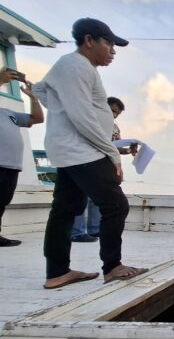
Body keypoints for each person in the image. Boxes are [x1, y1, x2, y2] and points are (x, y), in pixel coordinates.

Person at [34, 18, 148, 289]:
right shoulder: (75, 65)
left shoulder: (76, 67)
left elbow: (39, 88)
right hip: (82, 151)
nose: (113, 50)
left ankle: (57, 272)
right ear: (89, 41)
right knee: (115, 204)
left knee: (65, 209)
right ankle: (113, 266)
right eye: (108, 43)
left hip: (71, 149)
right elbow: (83, 117)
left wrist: (58, 110)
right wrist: (113, 154)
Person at [72, 96, 136, 243]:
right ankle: (76, 232)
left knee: (97, 198)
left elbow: (115, 147)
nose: (114, 115)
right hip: (87, 161)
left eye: (117, 114)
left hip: (105, 164)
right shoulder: (92, 120)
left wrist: (128, 150)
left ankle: (94, 229)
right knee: (80, 196)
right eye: (112, 111)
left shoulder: (114, 127)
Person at [0, 68, 44, 247]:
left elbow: (37, 118)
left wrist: (33, 97)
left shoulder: (7, 112)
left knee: (2, 201)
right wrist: (1, 80)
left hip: (12, 165)